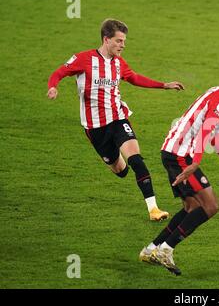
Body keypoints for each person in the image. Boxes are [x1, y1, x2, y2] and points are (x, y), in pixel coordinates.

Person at [47, 19, 185, 221]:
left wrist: (164, 85)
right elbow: (59, 72)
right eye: (119, 41)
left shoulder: (119, 63)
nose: (123, 45)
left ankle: (153, 209)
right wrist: (53, 86)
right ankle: (118, 163)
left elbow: (135, 78)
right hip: (95, 127)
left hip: (118, 118)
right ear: (106, 39)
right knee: (120, 170)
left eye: (124, 41)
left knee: (137, 160)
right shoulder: (83, 59)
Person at [139, 59, 219, 275]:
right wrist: (195, 162)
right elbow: (205, 129)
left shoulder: (218, 91)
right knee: (210, 206)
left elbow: (212, 135)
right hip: (181, 156)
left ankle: (152, 249)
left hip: (171, 151)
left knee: (191, 206)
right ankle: (166, 249)